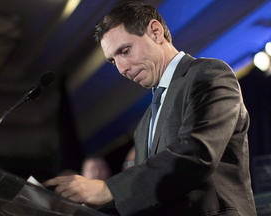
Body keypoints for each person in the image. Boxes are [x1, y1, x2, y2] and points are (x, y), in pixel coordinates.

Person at [43, 2, 257, 215]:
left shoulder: (209, 74)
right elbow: (149, 193)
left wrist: (107, 188)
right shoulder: (145, 122)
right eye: (112, 61)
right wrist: (79, 208)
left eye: (125, 50)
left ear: (155, 32)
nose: (122, 68)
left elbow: (198, 153)